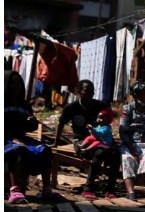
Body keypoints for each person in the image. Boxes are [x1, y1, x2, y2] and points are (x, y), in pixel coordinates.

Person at [54, 79, 120, 200]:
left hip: (100, 139)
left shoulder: (100, 105)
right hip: (82, 141)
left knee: (116, 153)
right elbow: (61, 124)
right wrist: (56, 143)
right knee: (99, 153)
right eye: (86, 91)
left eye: (92, 92)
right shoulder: (71, 107)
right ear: (78, 92)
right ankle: (89, 188)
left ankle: (110, 189)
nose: (90, 94)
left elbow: (108, 122)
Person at [5, 71, 63, 203]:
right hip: (5, 138)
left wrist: (32, 123)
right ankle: (15, 190)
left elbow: (30, 127)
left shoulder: (24, 105)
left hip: (21, 138)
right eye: (12, 83)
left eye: (19, 83)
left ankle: (46, 190)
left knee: (44, 149)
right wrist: (11, 137)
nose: (16, 86)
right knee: (17, 149)